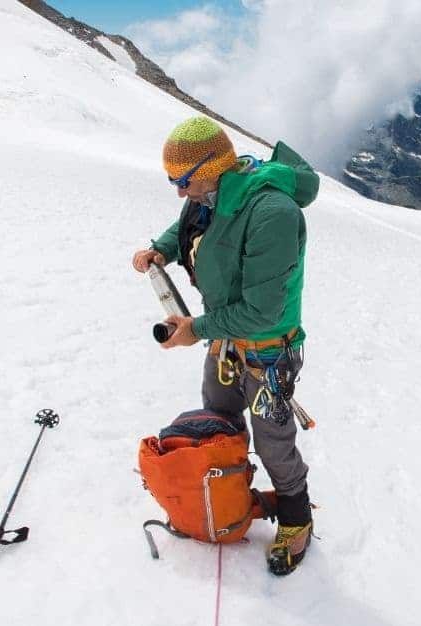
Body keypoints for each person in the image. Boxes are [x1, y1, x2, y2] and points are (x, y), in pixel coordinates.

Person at [132, 116, 319, 575]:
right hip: (226, 338)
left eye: (183, 180)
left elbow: (265, 311)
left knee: (272, 440)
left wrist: (195, 329)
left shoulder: (271, 213)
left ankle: (297, 518)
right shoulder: (208, 194)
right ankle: (229, 492)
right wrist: (161, 249)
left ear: (212, 168)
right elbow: (190, 227)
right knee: (219, 416)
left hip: (269, 347)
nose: (179, 191)